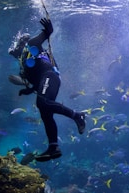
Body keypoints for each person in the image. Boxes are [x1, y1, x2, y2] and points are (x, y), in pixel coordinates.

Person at [9, 18, 86, 162]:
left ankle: (77, 115)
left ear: (21, 44)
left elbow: (46, 34)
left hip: (50, 76)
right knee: (45, 113)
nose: (15, 53)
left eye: (17, 49)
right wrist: (29, 90)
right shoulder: (25, 64)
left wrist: (47, 30)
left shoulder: (32, 45)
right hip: (48, 80)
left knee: (43, 103)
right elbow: (36, 80)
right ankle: (53, 147)